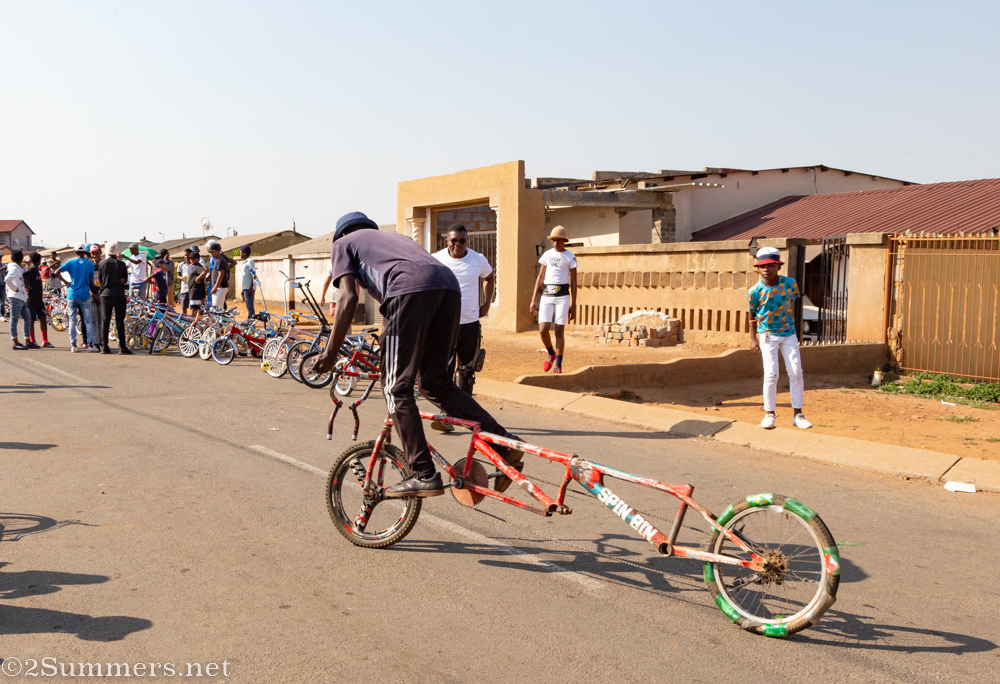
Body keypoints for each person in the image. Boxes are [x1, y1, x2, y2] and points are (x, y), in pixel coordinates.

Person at [311, 212, 522, 497]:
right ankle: (503, 444)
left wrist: (329, 354)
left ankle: (423, 474)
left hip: (411, 289)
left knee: (395, 388)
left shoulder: (343, 244)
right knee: (435, 382)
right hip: (448, 287)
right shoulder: (394, 240)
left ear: (341, 234)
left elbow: (348, 297)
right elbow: (396, 310)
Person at [430, 224, 494, 431]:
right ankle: (445, 416)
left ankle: (467, 416)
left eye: (461, 241)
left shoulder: (478, 260)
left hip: (469, 323)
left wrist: (486, 303)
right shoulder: (436, 259)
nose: (457, 245)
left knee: (467, 369)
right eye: (453, 240)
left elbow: (489, 277)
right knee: (444, 370)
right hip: (444, 325)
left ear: (467, 241)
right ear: (446, 241)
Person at [748, 246, 812, 430]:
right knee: (771, 374)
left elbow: (793, 304)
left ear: (778, 267)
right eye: (762, 267)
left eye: (770, 266)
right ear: (758, 269)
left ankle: (798, 415)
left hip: (788, 333)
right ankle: (769, 414)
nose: (766, 270)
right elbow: (751, 316)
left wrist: (796, 331)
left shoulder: (790, 284)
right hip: (767, 335)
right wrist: (753, 339)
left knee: (796, 372)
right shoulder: (754, 291)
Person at [529, 225, 577, 374]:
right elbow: (541, 277)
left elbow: (574, 281)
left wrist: (573, 304)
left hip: (562, 296)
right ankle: (551, 353)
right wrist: (533, 300)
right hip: (547, 296)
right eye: (553, 240)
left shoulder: (570, 257)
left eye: (559, 240)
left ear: (564, 241)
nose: (556, 242)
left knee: (558, 331)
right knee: (543, 329)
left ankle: (558, 365)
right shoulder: (547, 255)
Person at [53, 244, 97, 352]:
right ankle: (90, 345)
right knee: (88, 320)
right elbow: (91, 278)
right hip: (85, 295)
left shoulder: (70, 262)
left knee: (72, 320)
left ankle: (73, 345)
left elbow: (56, 272)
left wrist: (66, 282)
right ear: (85, 252)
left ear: (76, 252)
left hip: (72, 294)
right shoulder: (89, 264)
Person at [98, 243, 132, 354]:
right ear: (117, 251)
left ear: (107, 251)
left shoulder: (102, 264)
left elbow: (101, 279)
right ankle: (122, 347)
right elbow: (125, 280)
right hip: (118, 293)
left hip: (105, 293)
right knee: (119, 321)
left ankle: (105, 346)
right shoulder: (121, 264)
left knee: (105, 320)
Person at [23, 252, 52, 348]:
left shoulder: (36, 270)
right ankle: (32, 340)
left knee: (43, 317)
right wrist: (26, 287)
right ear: (39, 261)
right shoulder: (31, 270)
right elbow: (23, 275)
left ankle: (45, 340)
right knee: (31, 319)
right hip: (31, 298)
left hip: (39, 298)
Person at [4, 250, 31, 349]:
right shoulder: (14, 268)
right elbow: (7, 279)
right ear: (21, 259)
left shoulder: (17, 268)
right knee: (14, 319)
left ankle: (27, 340)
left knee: (27, 318)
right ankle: (15, 342)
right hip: (15, 297)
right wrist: (15, 288)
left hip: (21, 297)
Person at [88, 243, 105, 351]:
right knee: (94, 320)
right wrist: (91, 294)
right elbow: (86, 282)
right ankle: (96, 342)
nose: (95, 255)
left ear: (100, 253)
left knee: (102, 320)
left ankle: (102, 341)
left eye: (96, 253)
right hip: (91, 296)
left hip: (102, 295)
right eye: (93, 253)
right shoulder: (88, 265)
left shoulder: (104, 264)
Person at [207, 241, 230, 309]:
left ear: (217, 251)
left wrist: (215, 287)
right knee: (219, 309)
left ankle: (220, 320)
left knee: (216, 309)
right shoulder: (218, 260)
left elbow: (221, 275)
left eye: (212, 252)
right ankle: (221, 320)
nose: (211, 254)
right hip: (219, 288)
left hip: (220, 288)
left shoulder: (220, 261)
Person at [239, 245, 256, 318]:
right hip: (246, 287)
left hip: (249, 288)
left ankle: (250, 322)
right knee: (248, 306)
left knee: (250, 306)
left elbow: (253, 275)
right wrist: (243, 289)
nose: (240, 254)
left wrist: (251, 288)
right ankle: (250, 321)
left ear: (244, 253)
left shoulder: (250, 261)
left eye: (240, 253)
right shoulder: (245, 262)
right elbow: (245, 277)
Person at [178, 248, 192, 314]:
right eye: (185, 255)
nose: (187, 257)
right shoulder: (181, 265)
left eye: (188, 255)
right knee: (184, 307)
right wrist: (182, 278)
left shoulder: (194, 265)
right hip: (184, 288)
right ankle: (184, 321)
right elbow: (178, 276)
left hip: (192, 288)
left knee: (193, 307)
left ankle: (192, 322)